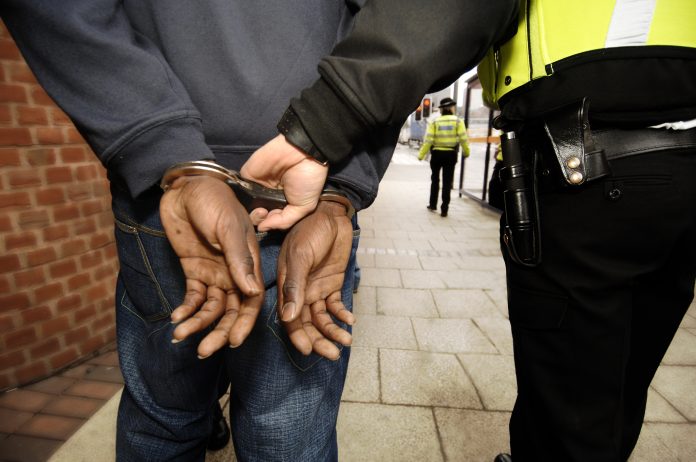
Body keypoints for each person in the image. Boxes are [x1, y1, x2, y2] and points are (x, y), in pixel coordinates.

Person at [238, 1, 696, 461]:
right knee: (626, 381)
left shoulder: (443, 118)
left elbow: (452, 11)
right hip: (681, 173)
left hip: (585, 170)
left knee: (570, 407)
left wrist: (324, 122)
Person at [0, 2, 401, 460]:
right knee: (288, 433)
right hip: (295, 187)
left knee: (164, 423)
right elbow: (395, 24)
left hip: (174, 190)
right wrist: (342, 181)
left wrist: (162, 146)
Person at [416, 97, 470, 217]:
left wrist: (421, 155)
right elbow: (463, 139)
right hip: (450, 155)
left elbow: (428, 140)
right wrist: (466, 152)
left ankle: (433, 204)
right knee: (447, 182)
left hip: (436, 154)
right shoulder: (458, 121)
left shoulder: (435, 122)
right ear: (451, 108)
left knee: (435, 180)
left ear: (441, 109)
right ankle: (444, 209)